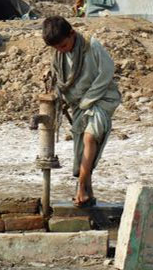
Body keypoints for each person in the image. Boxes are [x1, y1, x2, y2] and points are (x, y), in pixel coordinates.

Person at [42, 16, 121, 207]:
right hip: (78, 105)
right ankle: (88, 193)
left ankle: (80, 187)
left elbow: (106, 73)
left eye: (63, 45)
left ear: (72, 34)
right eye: (57, 48)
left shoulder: (92, 47)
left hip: (102, 98)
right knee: (81, 148)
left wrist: (88, 99)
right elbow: (62, 82)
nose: (61, 50)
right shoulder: (58, 57)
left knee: (89, 138)